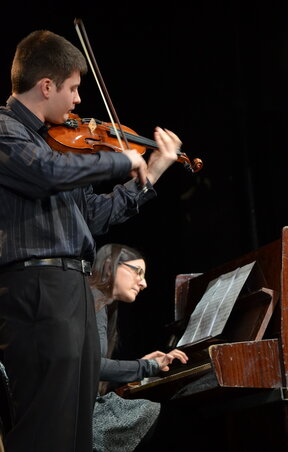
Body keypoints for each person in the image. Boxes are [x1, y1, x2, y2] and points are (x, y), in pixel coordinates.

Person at [0, 29, 182, 452]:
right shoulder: (6, 130)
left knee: (77, 431)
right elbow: (45, 173)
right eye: (74, 88)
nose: (80, 101)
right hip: (37, 290)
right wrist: (118, 158)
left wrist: (151, 171)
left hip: (72, 290)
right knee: (46, 427)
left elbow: (96, 217)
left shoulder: (59, 146)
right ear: (47, 86)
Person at [89, 243, 189, 452]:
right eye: (139, 273)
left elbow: (91, 373)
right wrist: (146, 366)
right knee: (166, 415)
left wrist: (138, 367)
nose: (144, 283)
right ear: (110, 266)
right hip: (78, 416)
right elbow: (94, 367)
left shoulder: (101, 305)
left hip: (82, 410)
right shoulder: (94, 301)